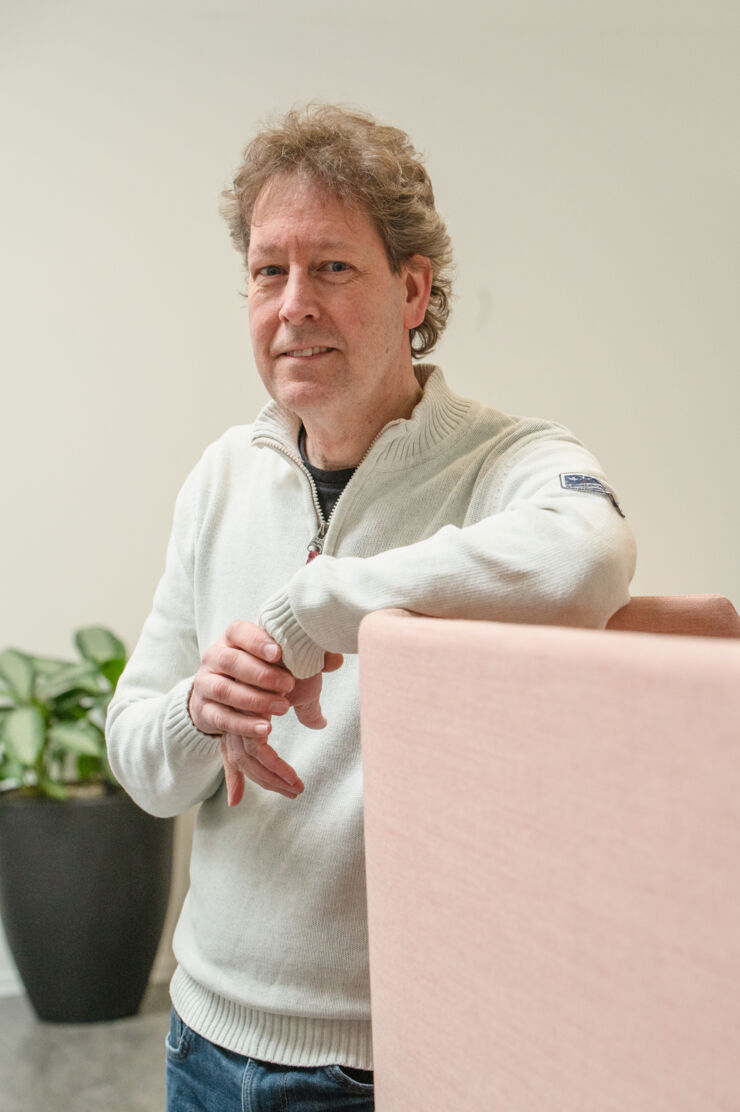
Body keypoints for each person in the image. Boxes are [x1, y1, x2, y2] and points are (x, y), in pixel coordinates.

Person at [106, 104, 636, 1111]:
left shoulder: (507, 460)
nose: (293, 305)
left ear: (413, 289)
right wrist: (200, 711)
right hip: (201, 1039)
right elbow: (138, 759)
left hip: (384, 1063)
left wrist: (313, 610)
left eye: (333, 267)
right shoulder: (220, 476)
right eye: (269, 271)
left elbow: (587, 557)